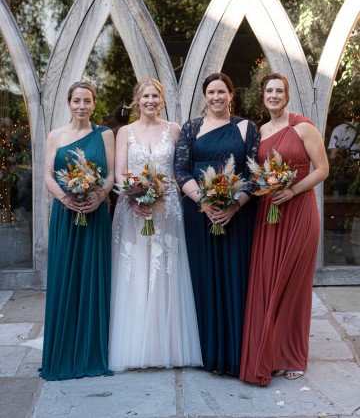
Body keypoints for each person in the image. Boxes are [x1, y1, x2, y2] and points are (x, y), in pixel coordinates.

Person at [240, 72, 329, 385]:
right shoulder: (261, 130)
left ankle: (293, 355)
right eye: (269, 91)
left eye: (279, 91)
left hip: (299, 210)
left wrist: (293, 190)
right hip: (270, 212)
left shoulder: (303, 126)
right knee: (269, 282)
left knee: (293, 284)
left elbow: (323, 169)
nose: (274, 95)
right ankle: (272, 352)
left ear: (287, 96)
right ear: (263, 96)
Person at [108, 78, 202, 371]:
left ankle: (167, 347)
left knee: (166, 271)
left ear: (162, 100)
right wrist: (136, 194)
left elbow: (180, 169)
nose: (150, 101)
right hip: (132, 209)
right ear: (137, 100)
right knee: (134, 270)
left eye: (155, 96)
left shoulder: (174, 129)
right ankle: (134, 346)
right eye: (146, 96)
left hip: (168, 209)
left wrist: (159, 194)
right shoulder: (124, 132)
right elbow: (120, 173)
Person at [174, 72, 260, 377]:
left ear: (230, 94)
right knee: (204, 279)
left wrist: (235, 206)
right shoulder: (191, 129)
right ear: (204, 96)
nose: (216, 97)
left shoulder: (246, 127)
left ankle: (237, 353)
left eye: (221, 92)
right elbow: (181, 171)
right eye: (211, 92)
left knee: (236, 278)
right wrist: (204, 202)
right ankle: (209, 354)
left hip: (237, 216)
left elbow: (255, 173)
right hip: (200, 216)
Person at [40, 81, 114, 381]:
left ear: (94, 104)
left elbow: (109, 175)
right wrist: (65, 198)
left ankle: (91, 349)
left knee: (93, 278)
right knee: (64, 277)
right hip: (65, 214)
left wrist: (99, 197)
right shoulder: (55, 135)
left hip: (95, 216)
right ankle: (64, 349)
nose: (82, 106)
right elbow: (46, 175)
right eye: (77, 101)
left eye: (87, 101)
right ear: (68, 103)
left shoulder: (105, 134)